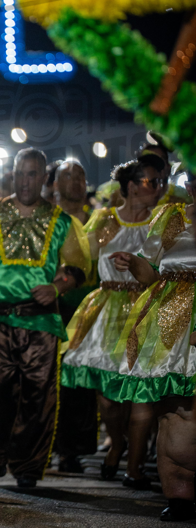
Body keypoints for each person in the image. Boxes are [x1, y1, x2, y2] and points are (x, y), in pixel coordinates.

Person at [0, 147, 90, 488]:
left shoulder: (62, 223)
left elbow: (77, 268)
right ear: (12, 174)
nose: (25, 181)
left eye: (33, 174)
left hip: (40, 321)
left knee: (38, 394)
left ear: (44, 178)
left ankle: (28, 464)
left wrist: (57, 287)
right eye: (20, 173)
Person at [61, 155, 165, 487]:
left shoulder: (161, 220)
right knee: (107, 393)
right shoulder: (104, 219)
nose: (158, 188)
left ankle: (133, 465)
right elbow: (78, 258)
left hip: (147, 308)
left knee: (140, 388)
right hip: (107, 308)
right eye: (151, 181)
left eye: (160, 182)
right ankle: (116, 441)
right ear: (131, 186)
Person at [106, 181, 196, 488]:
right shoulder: (171, 217)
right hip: (169, 326)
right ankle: (177, 494)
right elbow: (151, 275)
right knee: (171, 411)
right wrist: (133, 262)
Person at [53, 160, 99, 472]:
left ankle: (74, 449)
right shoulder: (47, 220)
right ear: (53, 183)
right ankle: (50, 444)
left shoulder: (100, 221)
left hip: (91, 309)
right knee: (52, 379)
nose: (76, 181)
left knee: (82, 379)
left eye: (81, 175)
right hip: (54, 306)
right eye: (68, 175)